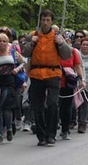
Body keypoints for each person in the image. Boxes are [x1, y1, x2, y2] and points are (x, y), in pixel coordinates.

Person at [21, 10, 72, 146]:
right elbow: (24, 52)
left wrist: (61, 43)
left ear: (52, 21)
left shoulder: (56, 36)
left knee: (52, 104)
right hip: (36, 74)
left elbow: (67, 56)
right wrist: (31, 43)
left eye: (48, 20)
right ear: (40, 20)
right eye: (43, 19)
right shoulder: (33, 35)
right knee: (37, 106)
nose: (45, 22)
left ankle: (51, 134)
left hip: (53, 74)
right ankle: (41, 135)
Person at [0, 31, 25, 144]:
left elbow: (24, 62)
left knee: (6, 107)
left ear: (8, 42)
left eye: (4, 41)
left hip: (9, 82)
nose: (1, 43)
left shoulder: (13, 53)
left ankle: (9, 129)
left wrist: (17, 69)